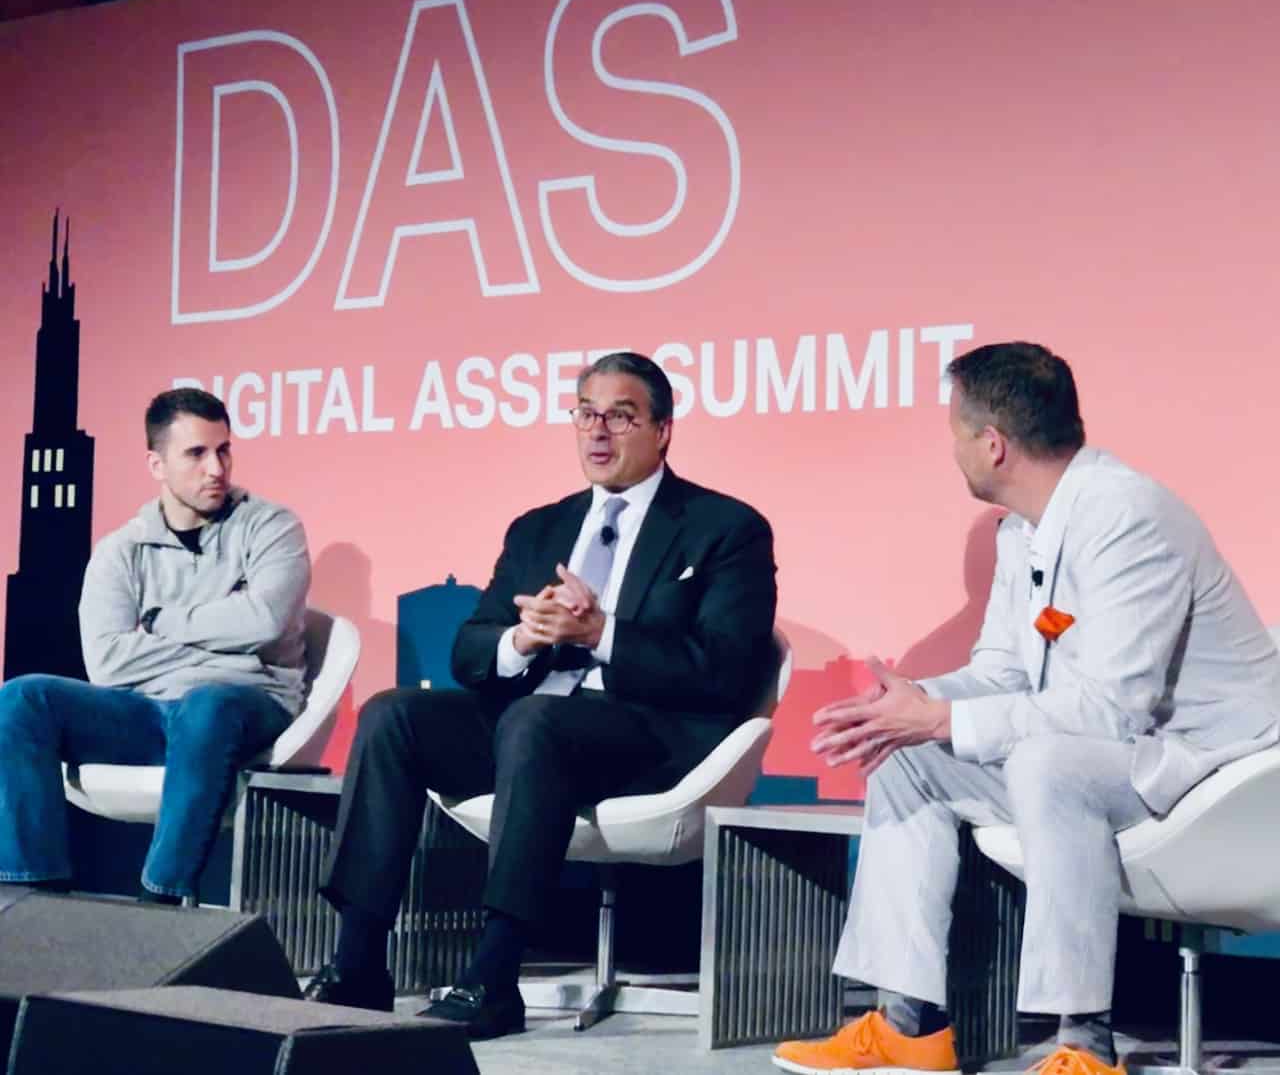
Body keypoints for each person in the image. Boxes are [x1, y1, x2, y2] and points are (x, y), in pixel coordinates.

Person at [774, 342, 1280, 1075]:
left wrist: (942, 719)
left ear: (993, 443)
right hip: (1123, 756)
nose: (952, 451)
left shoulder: (1128, 514)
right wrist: (917, 704)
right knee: (907, 758)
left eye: (955, 432)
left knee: (1048, 763)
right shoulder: (1023, 531)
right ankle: (908, 1025)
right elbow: (1005, 671)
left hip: (1215, 769)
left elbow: (1112, 707)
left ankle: (1084, 1042)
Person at [306, 352, 778, 1038]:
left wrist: (601, 633)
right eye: (586, 414)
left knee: (536, 720)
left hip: (651, 736)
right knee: (392, 715)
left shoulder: (725, 528)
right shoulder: (541, 528)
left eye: (621, 416)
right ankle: (358, 963)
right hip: (531, 725)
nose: (598, 431)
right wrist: (522, 639)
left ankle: (495, 978)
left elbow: (726, 671)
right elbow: (470, 651)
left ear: (663, 430)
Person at [0, 388, 310, 903]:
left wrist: (158, 623)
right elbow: (107, 661)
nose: (216, 468)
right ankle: (32, 894)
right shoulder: (120, 551)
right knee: (21, 698)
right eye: (196, 453)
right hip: (145, 711)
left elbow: (264, 622)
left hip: (248, 705)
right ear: (156, 464)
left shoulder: (272, 527)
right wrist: (222, 645)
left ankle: (161, 898)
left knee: (207, 704)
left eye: (224, 450)